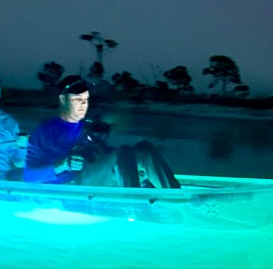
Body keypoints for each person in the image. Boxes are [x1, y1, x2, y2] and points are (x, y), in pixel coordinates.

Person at [23, 76, 181, 188]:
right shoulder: (44, 131)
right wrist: (62, 165)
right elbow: (28, 177)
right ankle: (133, 202)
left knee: (143, 148)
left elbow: (103, 156)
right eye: (77, 99)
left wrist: (101, 146)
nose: (83, 104)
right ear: (63, 100)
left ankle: (177, 198)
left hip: (93, 177)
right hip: (68, 185)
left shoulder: (86, 127)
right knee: (123, 151)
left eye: (85, 99)